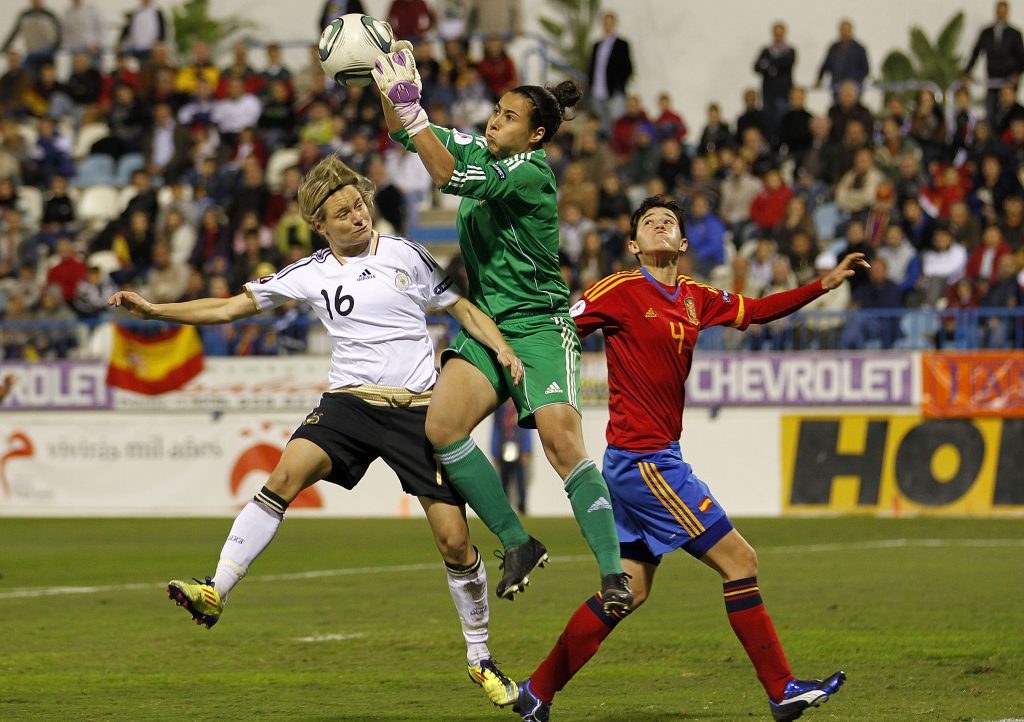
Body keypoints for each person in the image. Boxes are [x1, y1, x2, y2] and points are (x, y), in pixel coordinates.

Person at [107, 154, 525, 702]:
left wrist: (501, 347)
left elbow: (462, 309)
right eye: (342, 213)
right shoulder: (310, 272)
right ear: (320, 226)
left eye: (358, 206)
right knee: (283, 476)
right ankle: (216, 589)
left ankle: (479, 656)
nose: (356, 217)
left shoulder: (407, 254)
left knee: (454, 541)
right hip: (348, 404)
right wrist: (157, 311)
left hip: (418, 410)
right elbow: (231, 308)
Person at [510, 196, 857, 722]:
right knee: (740, 561)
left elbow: (756, 311)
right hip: (645, 462)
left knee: (628, 591)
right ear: (634, 245)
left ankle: (538, 691)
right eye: (648, 222)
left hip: (647, 459)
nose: (659, 224)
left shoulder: (697, 297)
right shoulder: (620, 289)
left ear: (683, 242)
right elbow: (561, 328)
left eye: (668, 221)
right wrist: (524, 368)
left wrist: (820, 287)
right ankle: (781, 689)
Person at [372, 45, 632, 640]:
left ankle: (614, 574)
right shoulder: (484, 148)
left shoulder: (530, 171)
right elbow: (405, 134)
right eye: (496, 110)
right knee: (441, 429)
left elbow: (445, 175)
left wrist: (415, 116)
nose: (494, 121)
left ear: (537, 134)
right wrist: (393, 86)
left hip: (539, 325)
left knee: (564, 446)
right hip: (490, 324)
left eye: (509, 116)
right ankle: (519, 541)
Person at [963, 1, 1024, 123]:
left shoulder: (1014, 34)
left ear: (1007, 13)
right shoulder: (986, 33)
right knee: (990, 112)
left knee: (1006, 114)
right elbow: (976, 52)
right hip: (992, 80)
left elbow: (1021, 57)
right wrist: (967, 72)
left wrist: (1018, 73)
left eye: (1003, 11)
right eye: (998, 11)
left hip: (1008, 81)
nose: (1001, 14)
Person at [587, 12, 633, 135]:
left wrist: (618, 85)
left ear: (614, 24)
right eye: (605, 23)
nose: (607, 26)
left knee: (617, 125)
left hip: (614, 92)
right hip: (597, 91)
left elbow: (627, 68)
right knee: (601, 126)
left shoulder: (621, 44)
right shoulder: (597, 45)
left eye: (610, 23)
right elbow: (592, 67)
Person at [753, 21, 796, 138]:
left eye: (780, 34)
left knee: (783, 123)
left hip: (783, 94)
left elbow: (785, 66)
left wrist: (768, 65)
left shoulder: (790, 51)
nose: (778, 36)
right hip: (767, 94)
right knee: (768, 123)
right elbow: (756, 67)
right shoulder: (766, 50)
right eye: (776, 34)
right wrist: (773, 67)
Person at [814, 19, 869, 93]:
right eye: (842, 30)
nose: (844, 32)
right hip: (836, 87)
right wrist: (819, 79)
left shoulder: (859, 49)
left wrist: (853, 82)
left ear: (851, 31)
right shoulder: (834, 47)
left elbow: (865, 70)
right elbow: (826, 65)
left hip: (853, 90)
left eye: (847, 30)